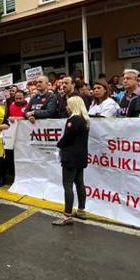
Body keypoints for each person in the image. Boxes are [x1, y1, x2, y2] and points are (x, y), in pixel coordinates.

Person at [52, 96, 91, 226]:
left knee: (67, 185)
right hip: (81, 156)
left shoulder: (73, 120)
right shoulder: (85, 120)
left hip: (71, 156)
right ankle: (81, 210)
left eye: (69, 104)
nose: (67, 107)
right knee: (80, 182)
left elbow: (67, 138)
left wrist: (58, 144)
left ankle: (67, 215)